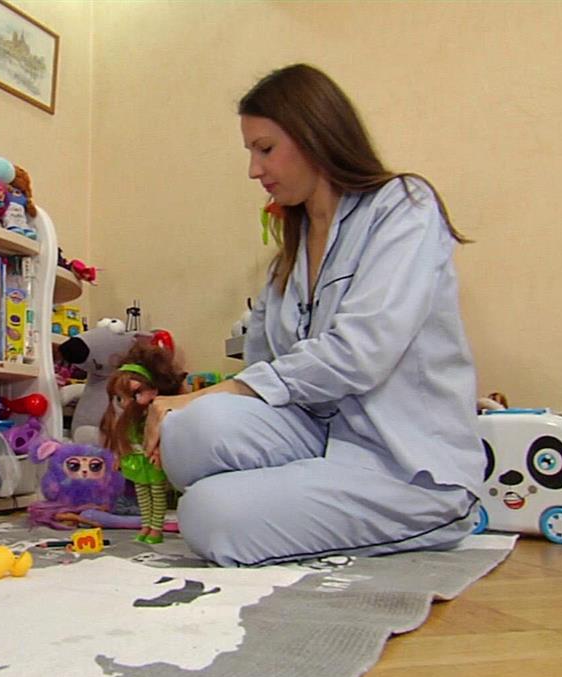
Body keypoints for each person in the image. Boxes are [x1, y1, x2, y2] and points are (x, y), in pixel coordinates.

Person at [146, 64, 483, 567]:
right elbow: (264, 370)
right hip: (314, 437)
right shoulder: (289, 255)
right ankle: (286, 497)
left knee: (207, 514)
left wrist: (208, 394)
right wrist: (191, 401)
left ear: (314, 135)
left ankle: (432, 513)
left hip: (402, 463)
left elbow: (360, 353)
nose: (254, 170)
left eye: (265, 149)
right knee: (187, 431)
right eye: (251, 152)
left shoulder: (403, 206)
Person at [99, 340, 185, 544]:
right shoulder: (124, 420)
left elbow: (164, 437)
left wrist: (159, 452)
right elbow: (123, 440)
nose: (126, 403)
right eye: (120, 398)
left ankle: (156, 528)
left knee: (157, 494)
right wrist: (119, 456)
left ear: (154, 391)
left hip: (151, 461)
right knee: (142, 495)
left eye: (136, 394)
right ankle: (146, 525)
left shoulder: (156, 416)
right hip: (135, 462)